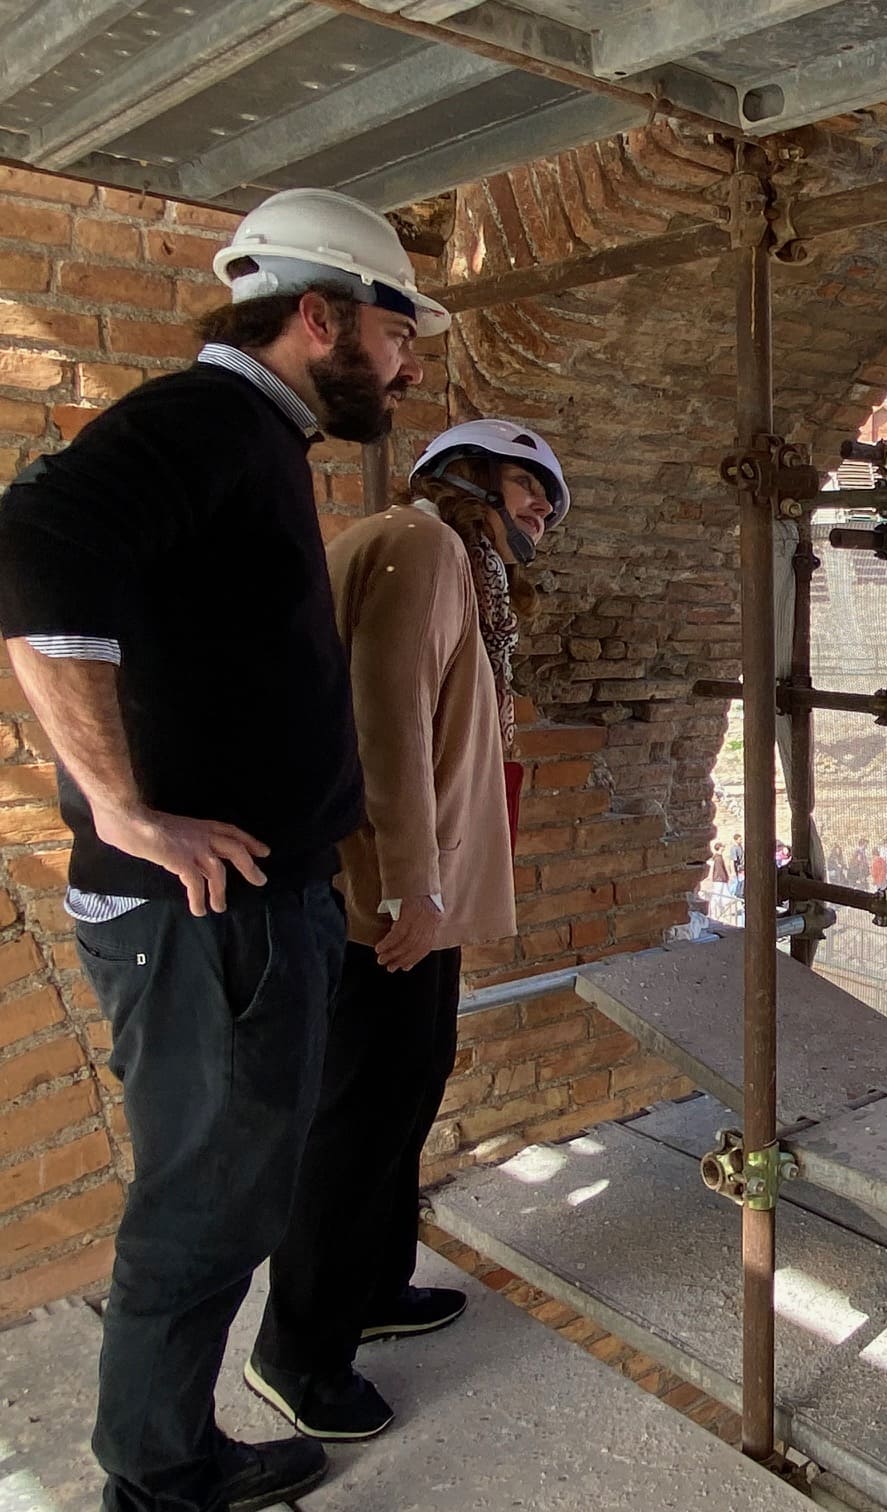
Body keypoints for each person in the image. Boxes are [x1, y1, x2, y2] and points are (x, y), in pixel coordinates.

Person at [0, 186, 440, 1512]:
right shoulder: (207, 419)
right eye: (398, 333)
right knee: (208, 1203)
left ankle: (164, 1450)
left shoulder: (252, 437)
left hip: (250, 907)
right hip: (205, 915)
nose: (410, 364)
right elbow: (26, 551)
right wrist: (123, 809)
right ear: (323, 315)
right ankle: (161, 1476)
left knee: (233, 1193)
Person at [246, 418, 569, 1441]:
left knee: (404, 1089)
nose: (542, 516)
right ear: (469, 474)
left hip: (405, 898)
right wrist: (406, 888)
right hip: (381, 903)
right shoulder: (425, 544)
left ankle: (371, 1288)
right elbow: (383, 715)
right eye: (531, 490)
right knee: (356, 1117)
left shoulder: (441, 557)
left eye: (550, 506)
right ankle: (295, 1353)